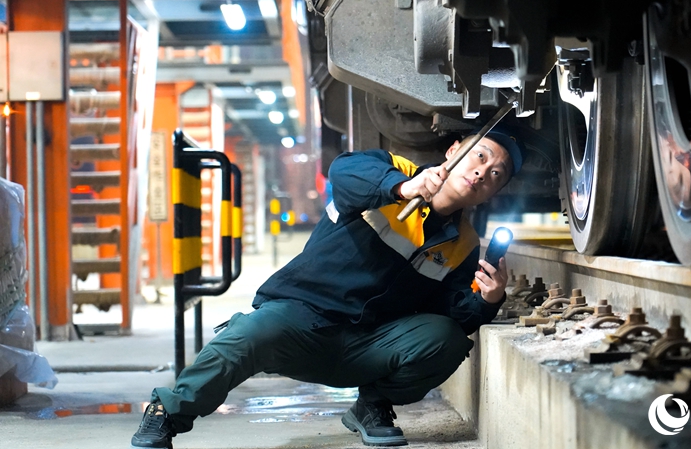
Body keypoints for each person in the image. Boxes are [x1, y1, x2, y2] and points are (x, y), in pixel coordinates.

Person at [130, 125, 526, 448]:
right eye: (479, 156)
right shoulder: (394, 170)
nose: (481, 172)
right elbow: (344, 172)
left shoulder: (464, 245)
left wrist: (490, 301)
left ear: (495, 190)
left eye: (496, 174)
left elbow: (454, 312)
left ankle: (371, 405)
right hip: (302, 322)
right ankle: (168, 412)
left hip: (368, 345)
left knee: (446, 338)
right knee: (247, 334)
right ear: (454, 149)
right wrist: (402, 188)